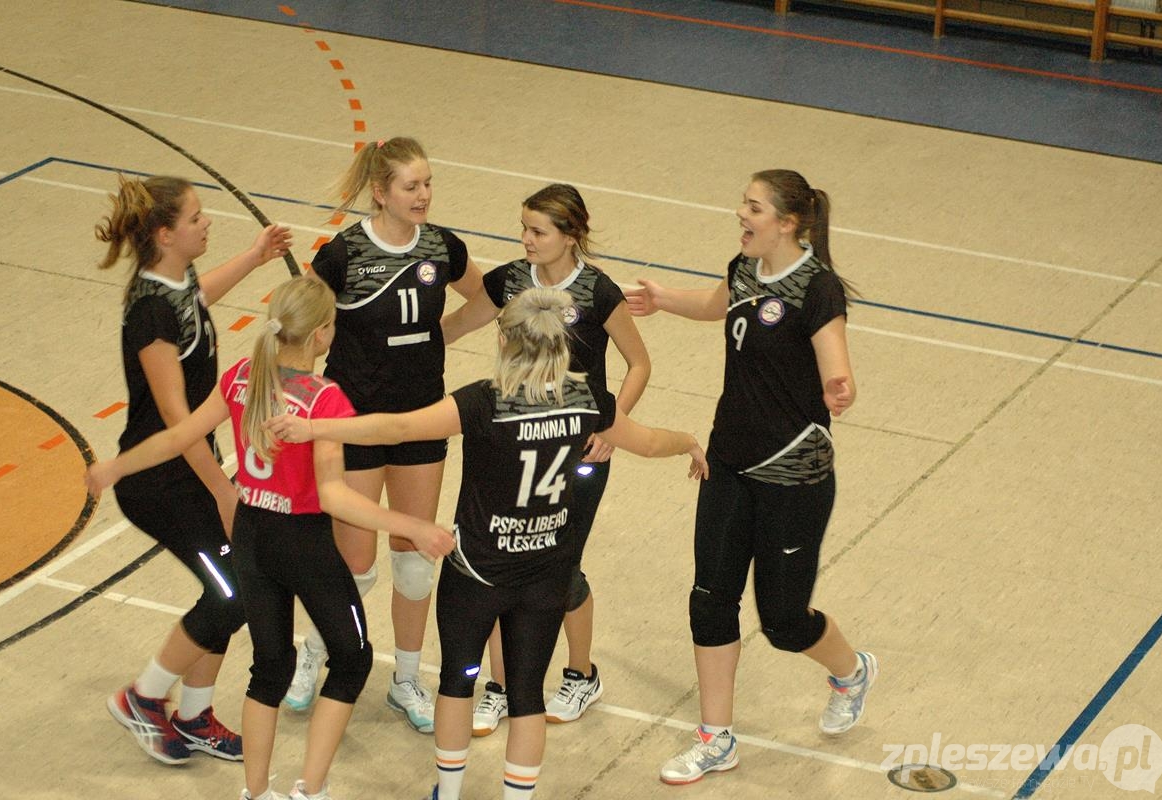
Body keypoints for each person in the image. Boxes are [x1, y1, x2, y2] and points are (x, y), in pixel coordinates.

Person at [267, 287, 707, 800]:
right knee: (526, 695)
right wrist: (689, 442)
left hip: (476, 573)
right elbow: (650, 442)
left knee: (458, 682)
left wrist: (314, 427)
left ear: (503, 340)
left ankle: (449, 792)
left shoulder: (483, 401)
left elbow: (399, 427)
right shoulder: (589, 400)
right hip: (545, 575)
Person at [86, 276, 457, 800]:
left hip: (252, 536)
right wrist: (412, 525)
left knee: (270, 669)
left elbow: (178, 437)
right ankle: (311, 789)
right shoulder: (323, 399)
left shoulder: (242, 376)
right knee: (352, 660)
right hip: (303, 542)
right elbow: (334, 497)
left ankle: (256, 793)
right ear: (322, 334)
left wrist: (116, 467)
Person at [625, 169, 877, 785]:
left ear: (787, 223)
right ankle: (716, 738)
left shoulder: (817, 288)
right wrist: (662, 299)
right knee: (710, 598)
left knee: (784, 622)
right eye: (744, 203)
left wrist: (839, 388)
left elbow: (836, 361)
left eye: (754, 207)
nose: (742, 213)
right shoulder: (744, 268)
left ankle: (852, 672)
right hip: (728, 461)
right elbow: (719, 306)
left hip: (793, 473)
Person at [285, 137, 484, 734]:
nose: (423, 195)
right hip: (355, 420)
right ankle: (314, 653)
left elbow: (487, 298)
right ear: (380, 191)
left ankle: (407, 681)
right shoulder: (343, 255)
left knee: (415, 562)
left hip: (422, 419)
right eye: (410, 186)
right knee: (356, 564)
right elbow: (303, 326)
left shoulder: (442, 247)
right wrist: (301, 396)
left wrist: (441, 336)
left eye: (428, 183)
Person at [94, 174, 291, 765]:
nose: (206, 223)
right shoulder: (150, 314)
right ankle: (143, 697)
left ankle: (195, 716)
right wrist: (224, 492)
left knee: (234, 588)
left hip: (187, 472)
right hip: (161, 481)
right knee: (233, 594)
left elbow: (196, 299)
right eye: (196, 218)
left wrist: (255, 257)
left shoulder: (173, 284)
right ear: (165, 234)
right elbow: (180, 424)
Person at [440, 184, 651, 736]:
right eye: (524, 228)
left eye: (538, 231)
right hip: (515, 446)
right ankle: (500, 686)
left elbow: (639, 363)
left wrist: (612, 424)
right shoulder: (509, 280)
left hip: (577, 449)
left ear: (571, 235)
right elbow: (453, 328)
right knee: (500, 563)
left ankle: (581, 675)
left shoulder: (598, 292)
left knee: (563, 567)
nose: (526, 240)